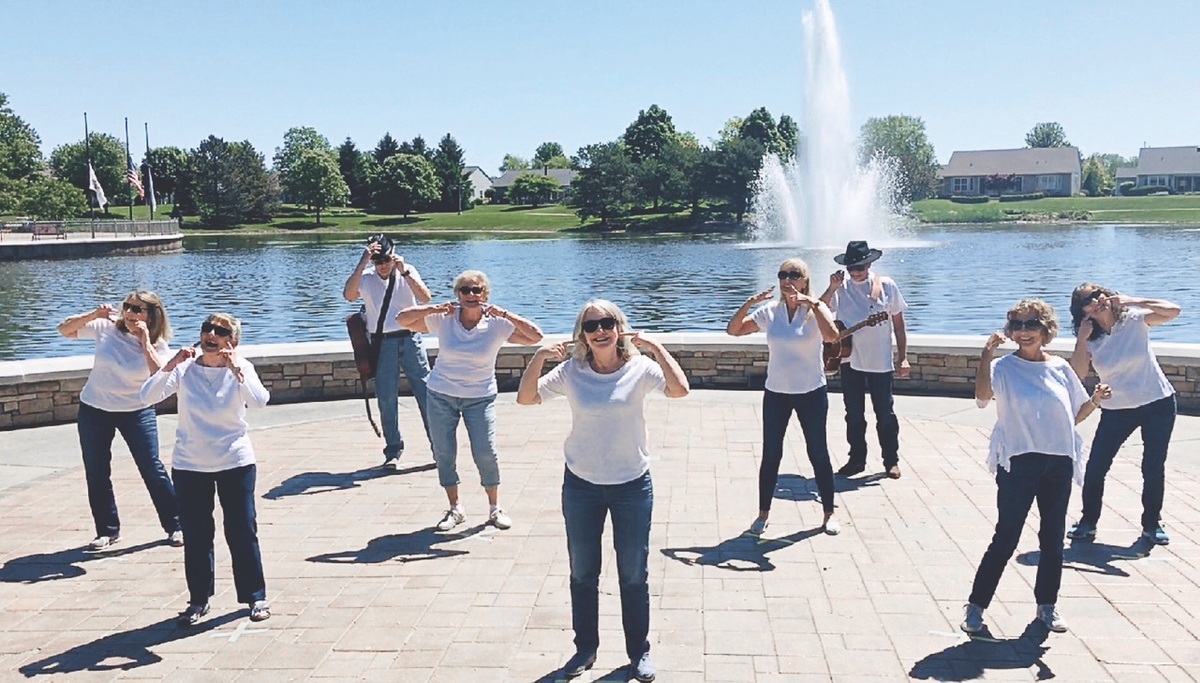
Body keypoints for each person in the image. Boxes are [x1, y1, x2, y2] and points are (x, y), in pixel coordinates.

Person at [517, 300, 689, 683]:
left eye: (607, 322)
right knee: (583, 572)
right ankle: (584, 649)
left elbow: (680, 391)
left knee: (633, 573)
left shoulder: (640, 368)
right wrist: (540, 357)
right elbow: (526, 398)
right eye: (592, 324)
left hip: (632, 485)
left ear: (619, 327)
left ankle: (639, 653)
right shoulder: (572, 371)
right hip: (582, 485)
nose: (600, 330)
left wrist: (657, 349)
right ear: (583, 334)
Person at [962, 300, 1110, 636]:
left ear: (1045, 330)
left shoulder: (1060, 368)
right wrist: (986, 357)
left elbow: (1072, 416)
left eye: (1031, 324)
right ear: (1011, 331)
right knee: (1006, 538)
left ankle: (1047, 606)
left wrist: (1096, 401)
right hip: (1018, 461)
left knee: (1053, 539)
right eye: (1018, 325)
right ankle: (976, 606)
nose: (1024, 331)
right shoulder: (1004, 368)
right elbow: (982, 397)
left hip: (1057, 461)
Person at [140, 313, 272, 626]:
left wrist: (236, 369)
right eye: (207, 328)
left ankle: (255, 596)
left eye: (220, 331)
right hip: (190, 465)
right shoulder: (185, 368)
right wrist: (170, 363)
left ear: (232, 341)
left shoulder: (242, 368)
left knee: (242, 531)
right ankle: (199, 599)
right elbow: (147, 396)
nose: (211, 334)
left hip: (235, 461)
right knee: (198, 536)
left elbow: (260, 401)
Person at [397, 270, 544, 532]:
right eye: (465, 290)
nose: (471, 295)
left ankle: (494, 508)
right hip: (441, 394)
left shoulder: (497, 325)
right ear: (458, 294)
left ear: (485, 295)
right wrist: (433, 307)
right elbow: (402, 319)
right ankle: (455, 509)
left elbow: (535, 336)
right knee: (444, 453)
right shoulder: (445, 319)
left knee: (485, 452)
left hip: (480, 397)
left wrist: (506, 314)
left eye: (477, 290)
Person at [57, 291, 182, 551]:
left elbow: (160, 376)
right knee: (97, 470)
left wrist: (144, 340)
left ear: (152, 315)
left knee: (152, 468)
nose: (131, 313)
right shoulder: (106, 328)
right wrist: (94, 314)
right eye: (128, 307)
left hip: (137, 410)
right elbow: (65, 330)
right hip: (95, 408)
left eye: (138, 310)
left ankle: (176, 525)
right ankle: (107, 531)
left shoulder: (158, 344)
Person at [727, 258, 842, 536]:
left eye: (794, 275)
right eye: (782, 274)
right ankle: (762, 515)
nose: (787, 279)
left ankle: (829, 513)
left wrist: (813, 303)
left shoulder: (817, 310)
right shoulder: (771, 311)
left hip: (811, 392)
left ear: (805, 280)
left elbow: (832, 337)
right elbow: (734, 330)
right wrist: (749, 302)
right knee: (771, 454)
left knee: (818, 452)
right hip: (777, 392)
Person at [1066, 284, 1181, 545]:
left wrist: (1134, 300)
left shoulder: (1133, 320)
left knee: (1152, 466)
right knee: (1096, 468)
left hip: (1157, 403)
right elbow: (1078, 374)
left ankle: (1152, 524)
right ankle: (1088, 522)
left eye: (1099, 294)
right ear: (1082, 311)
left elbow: (1174, 311)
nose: (1097, 301)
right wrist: (1081, 339)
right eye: (1088, 300)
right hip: (1117, 410)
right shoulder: (1091, 338)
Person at [819, 240, 909, 479]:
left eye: (859, 267)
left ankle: (891, 460)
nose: (855, 272)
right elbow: (819, 310)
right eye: (851, 268)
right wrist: (831, 287)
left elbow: (899, 326)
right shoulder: (841, 289)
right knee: (854, 414)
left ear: (869, 264)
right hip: (851, 361)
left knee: (885, 414)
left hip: (880, 361)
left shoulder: (886, 286)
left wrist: (903, 358)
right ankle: (856, 460)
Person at [342, 234, 433, 469]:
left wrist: (403, 271)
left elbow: (425, 298)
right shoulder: (366, 277)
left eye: (386, 259)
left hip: (411, 339)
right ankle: (393, 451)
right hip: (383, 343)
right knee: (386, 398)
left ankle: (439, 448)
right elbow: (349, 296)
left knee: (426, 394)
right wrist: (362, 262)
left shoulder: (407, 270)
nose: (383, 265)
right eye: (378, 260)